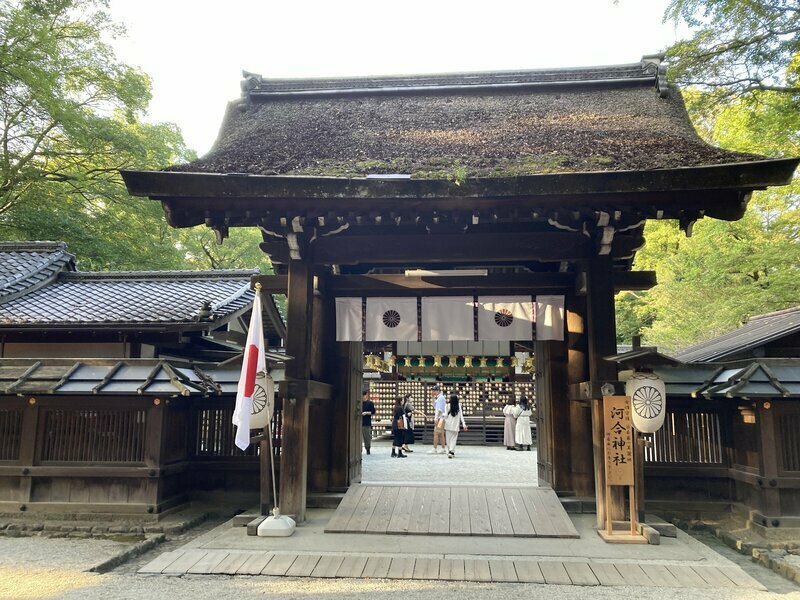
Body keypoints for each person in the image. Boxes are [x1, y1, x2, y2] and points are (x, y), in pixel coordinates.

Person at [444, 393, 467, 458]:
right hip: (455, 425)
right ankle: (451, 451)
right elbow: (461, 415)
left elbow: (445, 415)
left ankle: (450, 451)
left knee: (448, 439)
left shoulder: (447, 405)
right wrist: (463, 424)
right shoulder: (459, 405)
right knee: (454, 439)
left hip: (448, 424)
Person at [428, 386, 447, 454]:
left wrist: (436, 418)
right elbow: (434, 405)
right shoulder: (439, 397)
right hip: (440, 418)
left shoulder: (441, 398)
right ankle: (443, 448)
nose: (433, 392)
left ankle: (434, 448)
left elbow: (440, 409)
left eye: (434, 390)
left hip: (440, 418)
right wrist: (432, 397)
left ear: (438, 390)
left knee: (436, 433)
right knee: (441, 434)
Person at [360, 390, 376, 455]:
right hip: (358, 422)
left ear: (366, 395)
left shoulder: (370, 403)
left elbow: (373, 412)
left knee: (367, 437)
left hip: (366, 422)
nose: (363, 397)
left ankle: (368, 449)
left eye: (364, 395)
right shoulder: (359, 403)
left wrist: (366, 413)